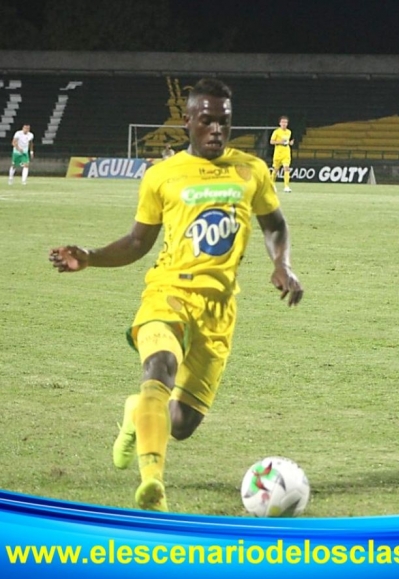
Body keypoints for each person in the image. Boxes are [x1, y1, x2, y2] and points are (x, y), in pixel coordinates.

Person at [49, 78, 304, 512]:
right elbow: (136, 242)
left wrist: (281, 264)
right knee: (159, 368)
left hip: (218, 310)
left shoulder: (251, 171)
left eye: (224, 122)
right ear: (187, 121)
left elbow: (274, 224)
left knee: (182, 424)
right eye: (207, 121)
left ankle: (138, 413)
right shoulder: (162, 175)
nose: (217, 130)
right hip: (167, 294)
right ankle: (152, 484)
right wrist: (90, 257)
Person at [269, 116, 294, 193]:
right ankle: (272, 185)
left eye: (285, 122)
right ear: (280, 123)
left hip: (286, 153)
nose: (284, 124)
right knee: (275, 170)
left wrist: (290, 143)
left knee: (286, 168)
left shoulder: (289, 132)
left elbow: (289, 141)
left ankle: (286, 186)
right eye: (282, 122)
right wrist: (281, 142)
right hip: (278, 154)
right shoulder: (276, 132)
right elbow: (271, 142)